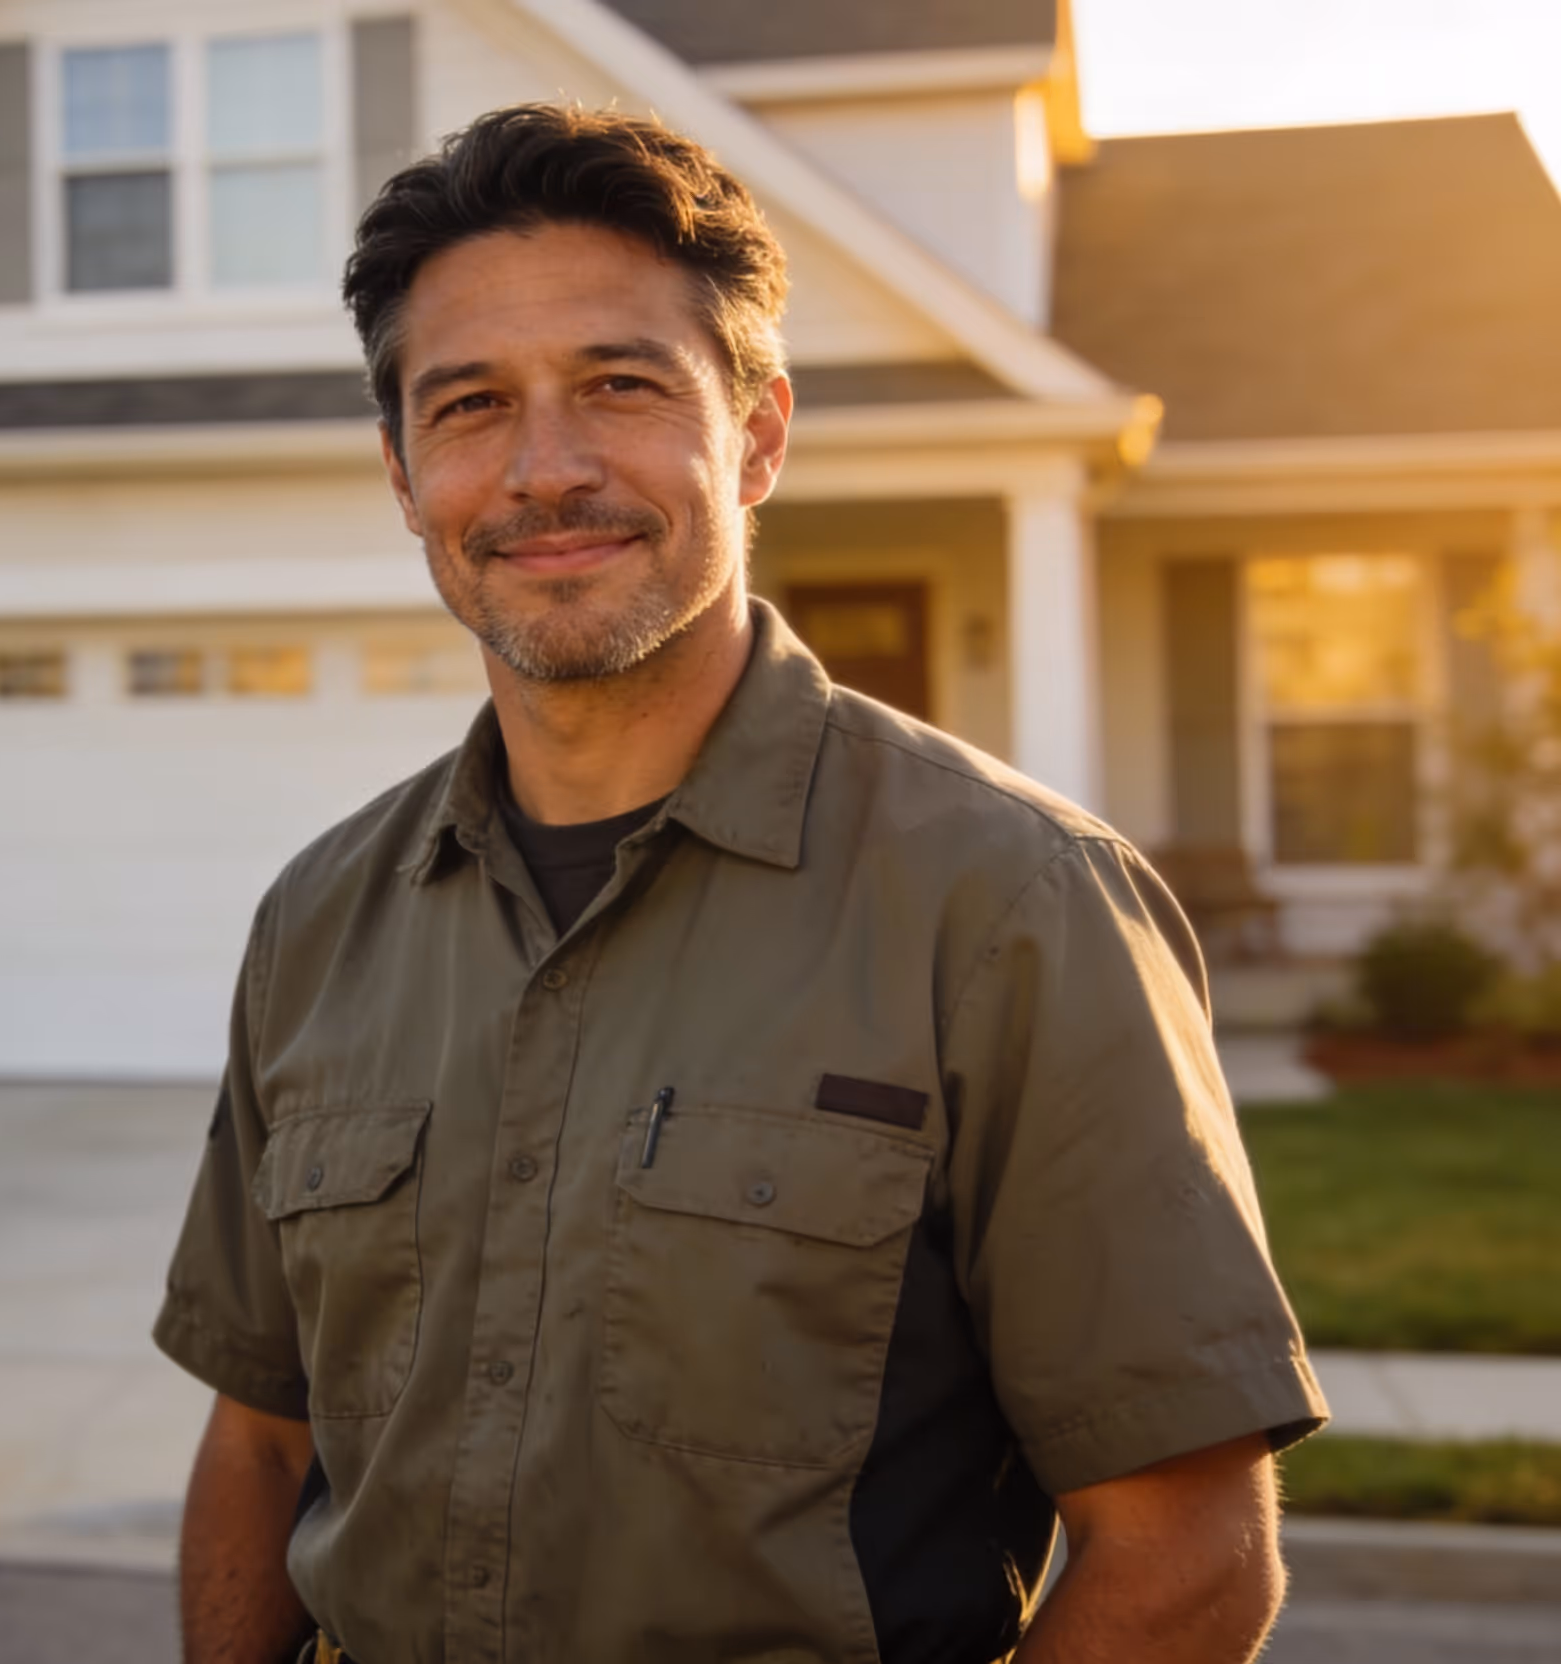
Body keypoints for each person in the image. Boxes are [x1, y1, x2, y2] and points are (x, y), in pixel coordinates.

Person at [153, 103, 1329, 1664]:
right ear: (401, 467)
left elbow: (1186, 1549)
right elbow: (262, 1444)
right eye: (470, 405)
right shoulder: (321, 921)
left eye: (621, 387)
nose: (545, 470)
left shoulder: (1014, 908)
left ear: (759, 433)